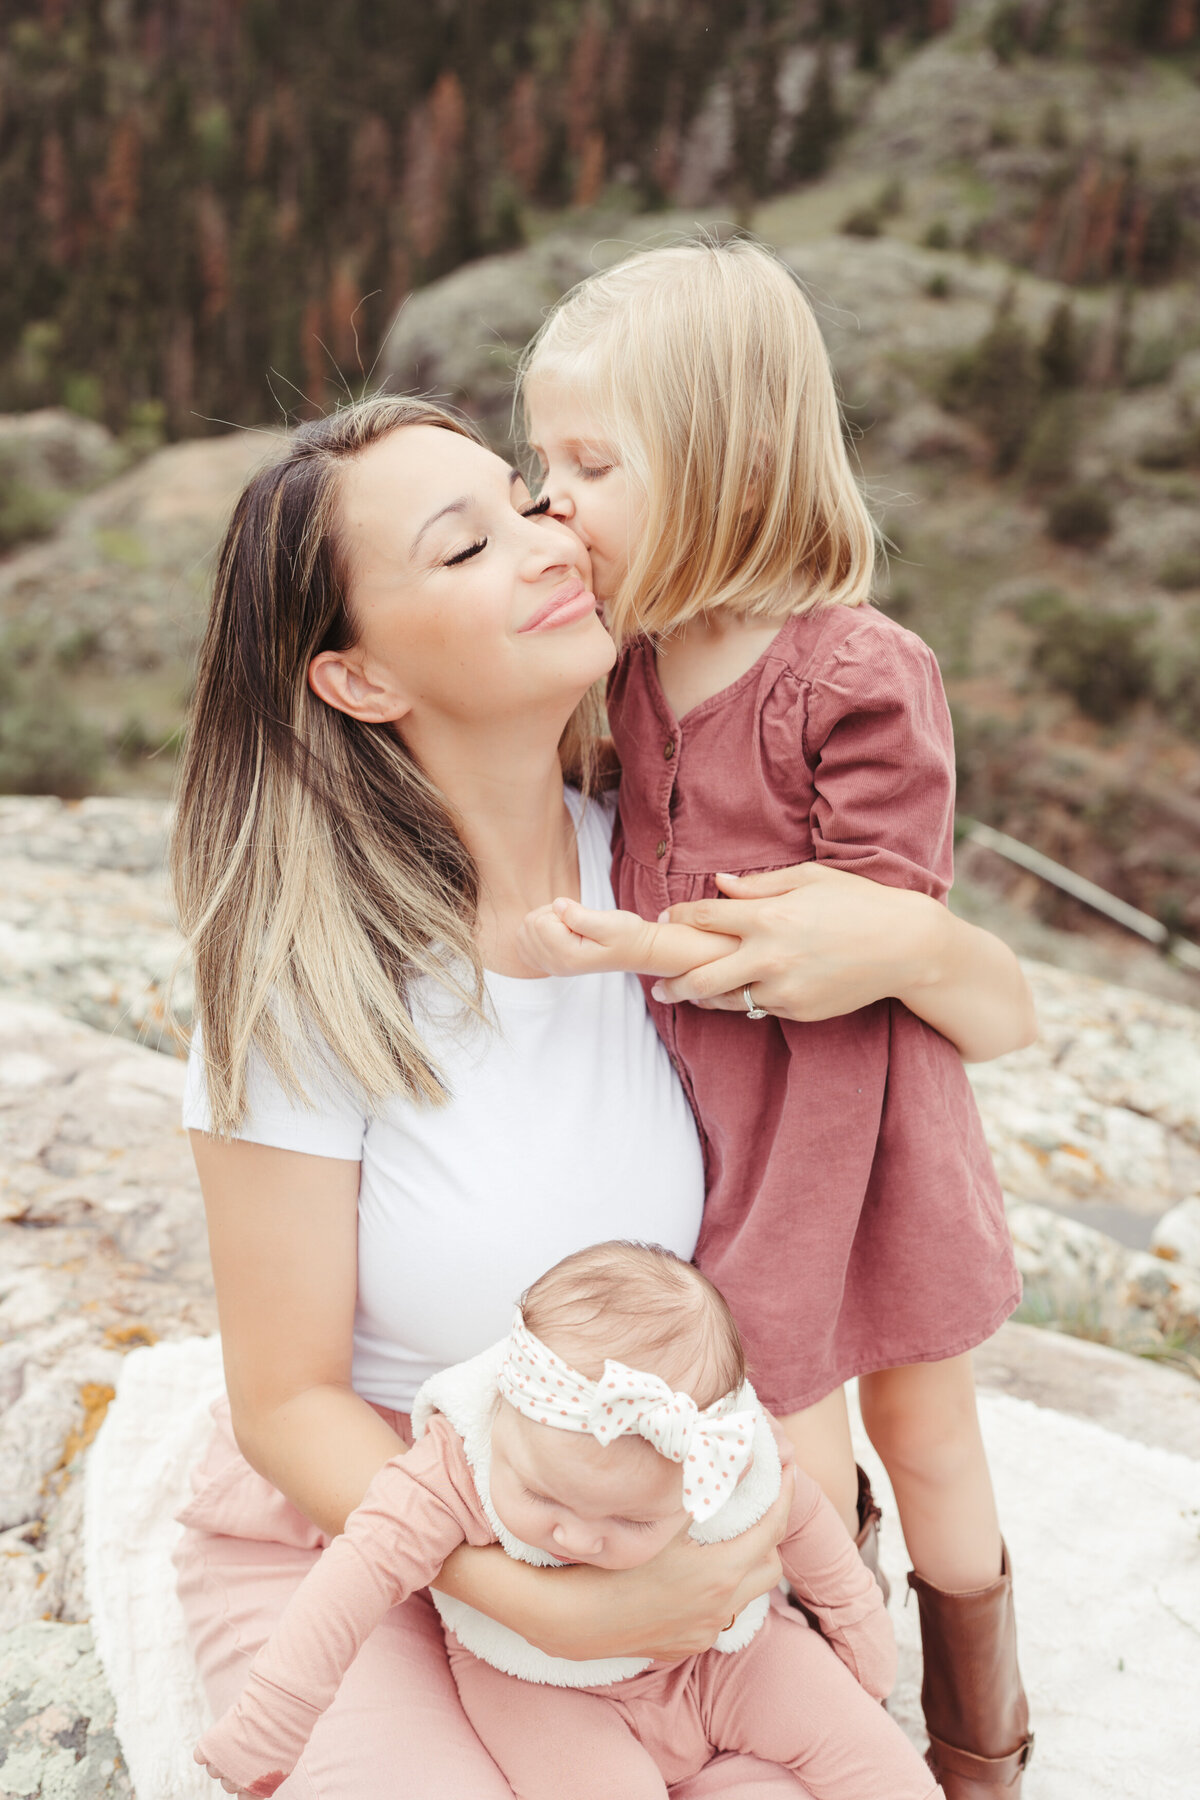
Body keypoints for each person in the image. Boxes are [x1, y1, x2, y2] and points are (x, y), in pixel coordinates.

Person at [170, 391, 1033, 1796]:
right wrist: (536, 1599)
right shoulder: (308, 970)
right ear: (359, 679)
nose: (548, 541)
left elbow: (997, 1025)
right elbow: (285, 1399)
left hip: (644, 1524)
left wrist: (913, 941)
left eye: (529, 502)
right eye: (464, 549)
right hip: (375, 1534)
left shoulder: (675, 872)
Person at [517, 238, 1036, 1798]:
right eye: (544, 461)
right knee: (789, 1446)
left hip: (851, 1125)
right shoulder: (633, 668)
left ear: (729, 465)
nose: (552, 497)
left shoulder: (854, 670)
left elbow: (873, 923)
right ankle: (834, 1701)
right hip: (715, 1115)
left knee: (913, 1429)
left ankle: (969, 1734)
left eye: (591, 464)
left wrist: (649, 943)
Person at [195, 1244, 942, 1800]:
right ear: (504, 1422)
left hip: (724, 1658)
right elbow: (350, 1581)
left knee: (871, 1755)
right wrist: (272, 1719)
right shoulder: (464, 1453)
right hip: (538, 1686)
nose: (580, 1539)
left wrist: (862, 1652)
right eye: (547, 1502)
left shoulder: (723, 1444)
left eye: (628, 1518)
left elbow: (812, 1537)